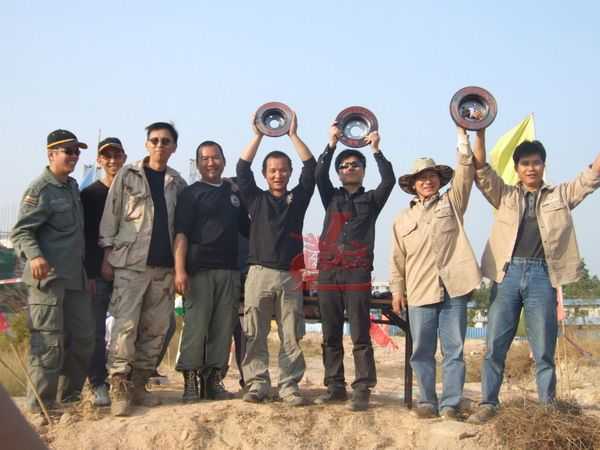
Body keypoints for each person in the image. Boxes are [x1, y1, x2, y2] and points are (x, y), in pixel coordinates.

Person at [467, 139, 600, 424]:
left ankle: (547, 409)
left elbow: (591, 177)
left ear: (543, 166)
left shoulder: (560, 195)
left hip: (543, 276)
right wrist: (479, 130)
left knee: (543, 350)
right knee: (495, 346)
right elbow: (480, 170)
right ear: (517, 168)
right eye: (525, 163)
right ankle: (488, 403)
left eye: (536, 163)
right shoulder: (504, 194)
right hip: (507, 275)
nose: (531, 168)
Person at [389, 127, 482, 419]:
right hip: (419, 291)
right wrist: (396, 291)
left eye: (432, 176)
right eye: (421, 178)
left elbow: (465, 173)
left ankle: (451, 404)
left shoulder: (452, 203)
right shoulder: (402, 219)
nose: (427, 181)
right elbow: (397, 259)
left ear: (440, 180)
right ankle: (427, 401)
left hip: (454, 289)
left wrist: (463, 137)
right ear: (413, 185)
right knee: (421, 352)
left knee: (454, 350)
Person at [99, 122, 187, 416]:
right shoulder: (128, 175)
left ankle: (139, 385)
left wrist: (179, 269)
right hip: (130, 265)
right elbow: (111, 215)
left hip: (163, 269)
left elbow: (181, 229)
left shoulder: (177, 183)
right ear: (147, 144)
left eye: (166, 141)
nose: (160, 145)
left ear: (174, 147)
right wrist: (107, 254)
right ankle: (119, 386)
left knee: (156, 329)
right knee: (125, 327)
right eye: (155, 140)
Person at [11, 129, 94, 414]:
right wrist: (35, 256)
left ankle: (69, 398)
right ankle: (41, 407)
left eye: (76, 152)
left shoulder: (72, 187)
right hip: (48, 281)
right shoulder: (40, 190)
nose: (74, 156)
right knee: (47, 345)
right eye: (67, 151)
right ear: (51, 154)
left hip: (75, 279)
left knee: (84, 340)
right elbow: (21, 232)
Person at [237, 111, 316, 406]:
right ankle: (257, 383)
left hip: (291, 276)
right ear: (265, 174)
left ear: (290, 172)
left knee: (291, 335)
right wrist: (258, 134)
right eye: (272, 171)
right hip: (258, 274)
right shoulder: (255, 199)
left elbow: (311, 167)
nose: (278, 175)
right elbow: (242, 167)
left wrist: (293, 134)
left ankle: (289, 386)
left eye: (283, 170)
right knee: (254, 333)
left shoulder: (299, 199)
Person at [314, 122, 395, 411]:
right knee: (331, 333)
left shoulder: (371, 200)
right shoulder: (331, 196)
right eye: (344, 166)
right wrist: (331, 144)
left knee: (360, 332)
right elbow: (318, 174)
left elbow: (389, 181)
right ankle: (335, 386)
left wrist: (376, 149)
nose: (350, 169)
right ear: (339, 172)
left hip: (357, 272)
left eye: (355, 165)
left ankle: (362, 388)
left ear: (363, 170)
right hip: (328, 271)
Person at [174, 140, 250, 403]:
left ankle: (213, 380)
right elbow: (181, 234)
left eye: (215, 157)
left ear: (224, 160)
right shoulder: (191, 194)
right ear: (198, 163)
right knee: (196, 327)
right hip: (199, 269)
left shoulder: (234, 194)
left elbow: (248, 229)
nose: (211, 163)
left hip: (229, 270)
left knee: (223, 328)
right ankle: (190, 380)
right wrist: (179, 270)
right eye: (205, 158)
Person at [81, 137, 127, 407]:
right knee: (96, 331)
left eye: (116, 155)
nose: (112, 160)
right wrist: (88, 273)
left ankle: (124, 381)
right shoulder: (89, 195)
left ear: (124, 158)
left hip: (127, 272)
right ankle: (98, 383)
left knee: (127, 330)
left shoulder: (130, 192)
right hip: (96, 274)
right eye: (106, 156)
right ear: (99, 160)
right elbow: (84, 237)